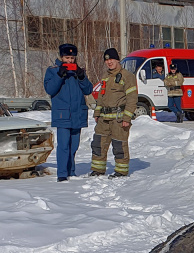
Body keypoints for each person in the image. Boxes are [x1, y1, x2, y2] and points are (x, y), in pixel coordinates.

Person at [43, 44, 93, 182]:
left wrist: (82, 76)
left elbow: (88, 90)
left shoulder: (79, 71)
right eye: (67, 57)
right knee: (64, 145)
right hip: (63, 114)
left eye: (72, 58)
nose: (70, 61)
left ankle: (71, 171)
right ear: (61, 57)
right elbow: (50, 90)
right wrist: (60, 75)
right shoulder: (52, 71)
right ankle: (62, 174)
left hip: (78, 114)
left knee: (74, 146)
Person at [91, 48, 138, 178]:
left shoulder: (127, 76)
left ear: (117, 60)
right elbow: (101, 96)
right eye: (106, 60)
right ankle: (98, 170)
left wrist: (127, 118)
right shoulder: (105, 76)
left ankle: (121, 171)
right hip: (103, 119)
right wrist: (97, 113)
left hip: (119, 118)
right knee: (98, 143)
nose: (109, 62)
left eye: (111, 59)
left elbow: (132, 98)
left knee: (119, 145)